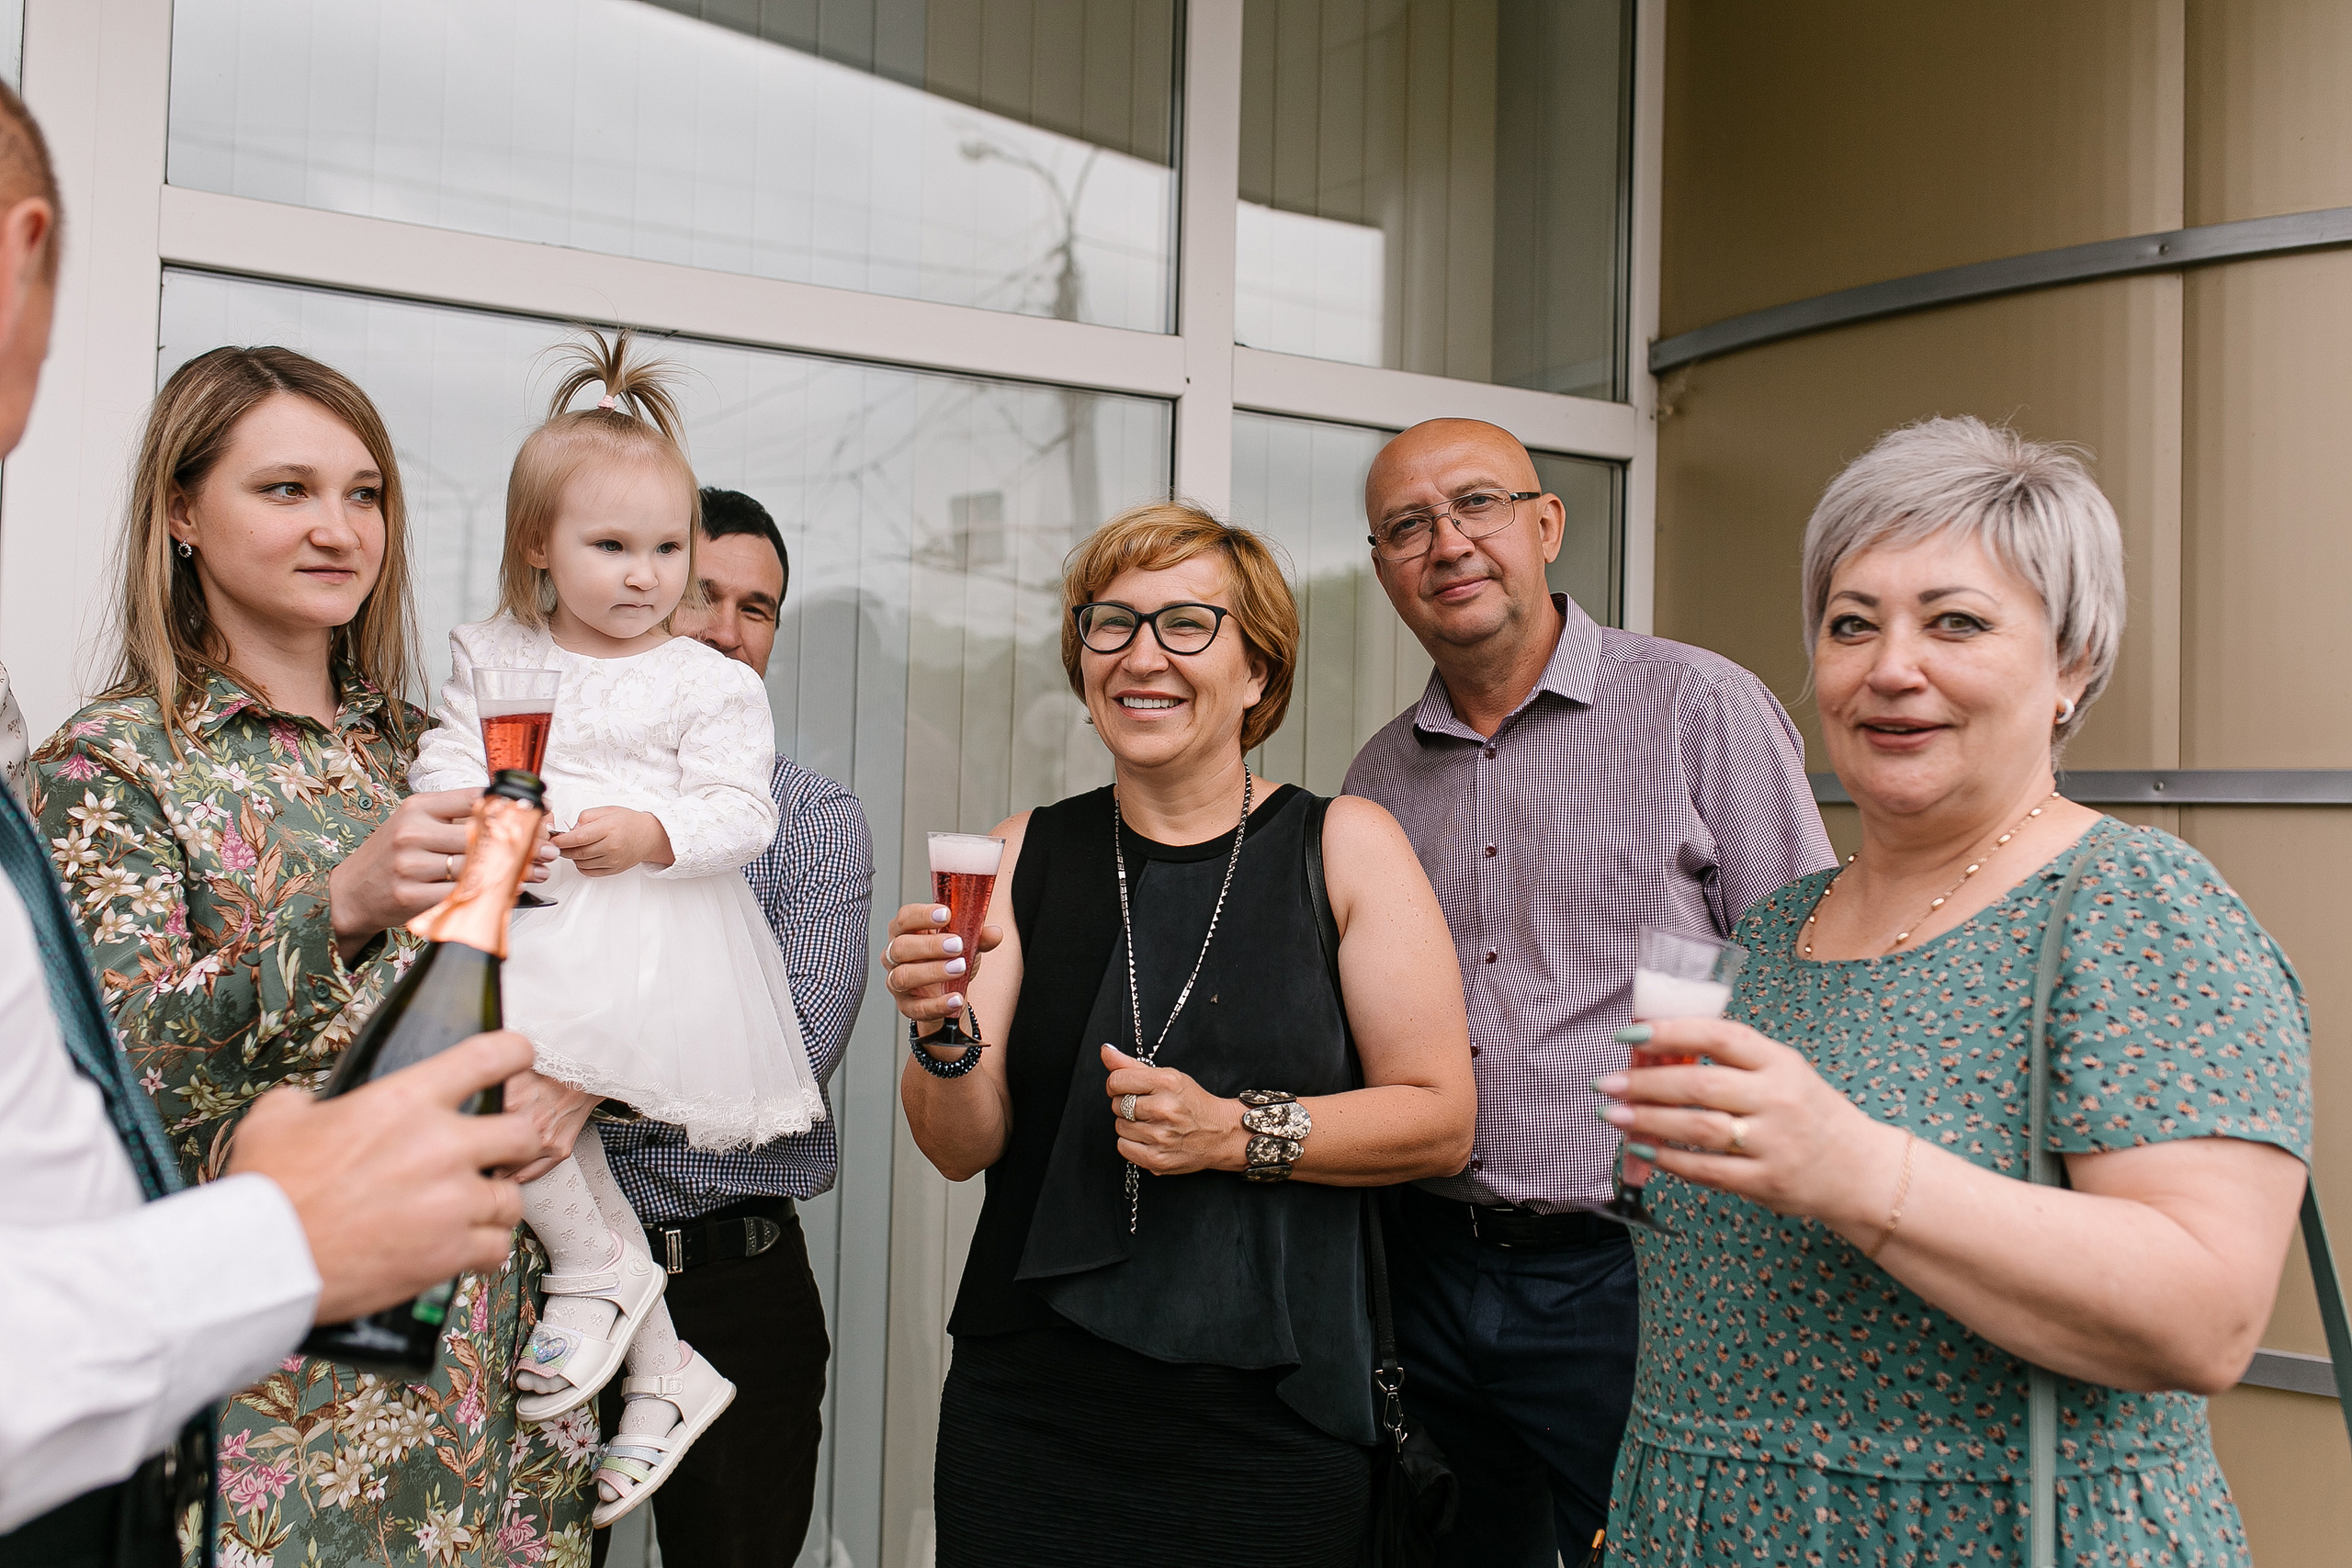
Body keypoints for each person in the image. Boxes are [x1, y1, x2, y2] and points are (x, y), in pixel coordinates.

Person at [1595, 417, 2309, 1566]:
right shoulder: (1776, 929)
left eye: (1956, 623)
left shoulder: (2130, 907)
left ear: (2070, 664)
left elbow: (2206, 1316)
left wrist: (1852, 1165)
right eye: (1850, 625)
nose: (1890, 669)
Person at [32, 343, 601, 1566]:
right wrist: (332, 907)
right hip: (290, 1400)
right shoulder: (110, 769)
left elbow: (572, 966)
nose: (339, 526)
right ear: (182, 511)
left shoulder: (435, 746)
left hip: (500, 1376)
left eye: (365, 492)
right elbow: (105, 1087)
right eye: (286, 488)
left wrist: (582, 1071)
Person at [882, 502, 1477, 1568]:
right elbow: (957, 1146)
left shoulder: (1344, 844)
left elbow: (1439, 1121)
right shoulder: (1021, 852)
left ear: (1258, 672)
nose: (1139, 656)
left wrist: (1233, 1134)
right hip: (1030, 1408)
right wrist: (942, 1033)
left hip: (1271, 1420)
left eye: (1186, 625)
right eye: (1110, 625)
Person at [1340, 418, 1836, 1564]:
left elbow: (1808, 975)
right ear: (1382, 569)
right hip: (1428, 1263)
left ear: (1546, 524)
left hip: (1634, 1271)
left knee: (1658, 1549)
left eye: (1478, 505)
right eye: (1407, 526)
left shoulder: (1697, 707)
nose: (1447, 544)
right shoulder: (1376, 780)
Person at [409, 337, 825, 1529]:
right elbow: (447, 763)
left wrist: (649, 828)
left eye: (666, 550)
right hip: (532, 925)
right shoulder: (498, 654)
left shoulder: (706, 684)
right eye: (611, 547)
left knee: (527, 1113)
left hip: (650, 944)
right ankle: (657, 1355)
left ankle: (612, 1295)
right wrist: (492, 812)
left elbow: (744, 810)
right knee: (520, 1118)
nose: (646, 577)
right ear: (537, 543)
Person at [588, 486, 873, 1567]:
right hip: (544, 1289)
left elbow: (782, 1064)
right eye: (702, 593)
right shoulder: (546, 791)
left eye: (757, 608)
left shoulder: (809, 821)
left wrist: (580, 1072)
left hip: (734, 1286)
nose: (724, 629)